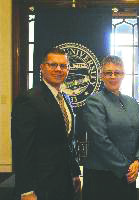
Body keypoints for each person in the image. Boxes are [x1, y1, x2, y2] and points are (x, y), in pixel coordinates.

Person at [11, 48, 81, 200]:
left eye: (63, 66)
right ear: (42, 68)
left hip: (64, 183)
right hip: (39, 187)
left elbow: (67, 143)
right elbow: (22, 148)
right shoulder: (29, 99)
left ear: (68, 69)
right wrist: (26, 190)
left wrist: (74, 173)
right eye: (52, 65)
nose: (58, 69)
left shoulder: (65, 99)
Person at [81, 55, 139, 200]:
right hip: (102, 178)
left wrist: (138, 161)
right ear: (101, 75)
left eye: (117, 73)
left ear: (123, 75)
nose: (113, 76)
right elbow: (100, 141)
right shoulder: (94, 101)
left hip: (128, 176)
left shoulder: (133, 102)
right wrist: (127, 168)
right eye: (108, 73)